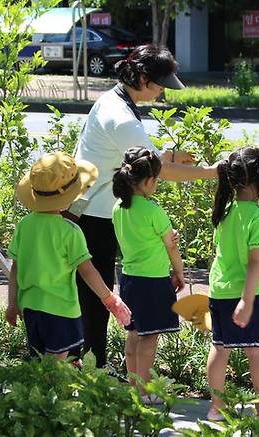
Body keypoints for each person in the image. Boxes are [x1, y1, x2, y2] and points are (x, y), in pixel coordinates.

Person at [72, 44, 218, 368]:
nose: (162, 91)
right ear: (140, 77)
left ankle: (92, 367)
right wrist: (213, 172)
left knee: (98, 293)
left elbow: (140, 158)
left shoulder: (114, 100)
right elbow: (157, 171)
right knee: (97, 297)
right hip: (94, 214)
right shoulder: (121, 116)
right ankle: (91, 371)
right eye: (159, 84)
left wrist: (166, 154)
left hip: (100, 209)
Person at [5, 152, 131, 360]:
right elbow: (87, 270)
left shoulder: (24, 225)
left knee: (39, 360)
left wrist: (12, 303)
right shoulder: (70, 231)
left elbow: (15, 268)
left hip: (30, 307)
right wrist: (108, 298)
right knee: (57, 363)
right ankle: (54, 392)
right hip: (60, 310)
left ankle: (38, 392)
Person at [205, 147, 259, 424]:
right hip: (250, 294)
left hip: (219, 290)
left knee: (219, 347)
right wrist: (247, 301)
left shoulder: (224, 211)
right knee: (257, 351)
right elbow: (255, 263)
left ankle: (216, 408)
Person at [111, 147, 185, 401]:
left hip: (129, 279)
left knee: (133, 333)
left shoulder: (118, 208)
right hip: (152, 282)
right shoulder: (153, 211)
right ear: (149, 181)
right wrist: (179, 272)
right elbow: (171, 246)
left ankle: (134, 386)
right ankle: (145, 390)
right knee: (149, 338)